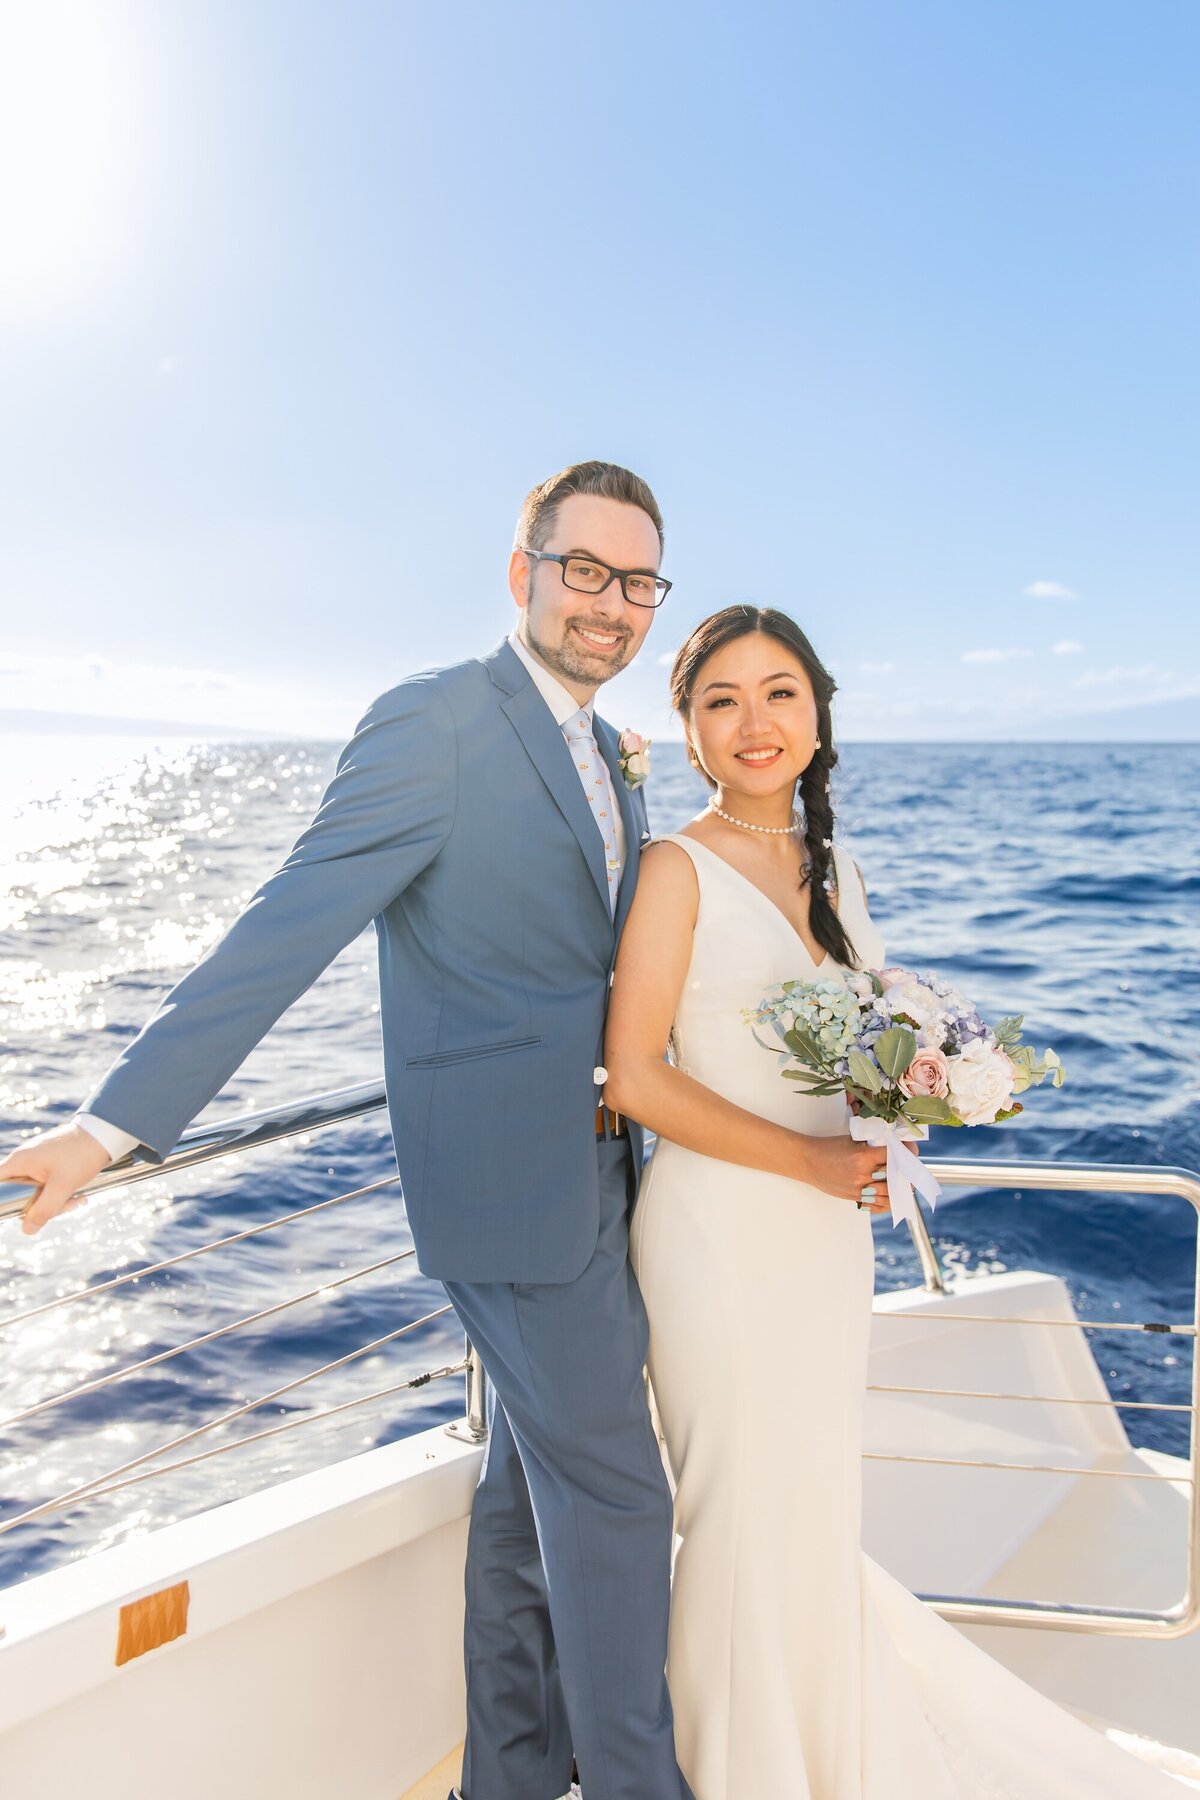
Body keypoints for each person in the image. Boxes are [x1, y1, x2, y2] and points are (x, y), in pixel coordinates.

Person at [0, 462, 695, 1800]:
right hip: (508, 1193)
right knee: (617, 1503)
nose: (611, 604)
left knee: (522, 1502)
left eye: (639, 581)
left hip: (605, 1170)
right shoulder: (434, 721)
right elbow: (288, 925)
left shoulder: (611, 752)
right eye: (585, 571)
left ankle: (506, 1779)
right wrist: (109, 1126)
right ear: (524, 574)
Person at [602, 603, 1185, 1798]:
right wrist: (808, 1160)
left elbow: (854, 1052)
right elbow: (636, 1074)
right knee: (739, 1514)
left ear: (817, 715)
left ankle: (825, 1752)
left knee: (811, 1502)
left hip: (824, 1236)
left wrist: (901, 1111)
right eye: (722, 701)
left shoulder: (839, 870)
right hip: (720, 1234)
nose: (754, 722)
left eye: (779, 694)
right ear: (692, 733)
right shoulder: (675, 868)